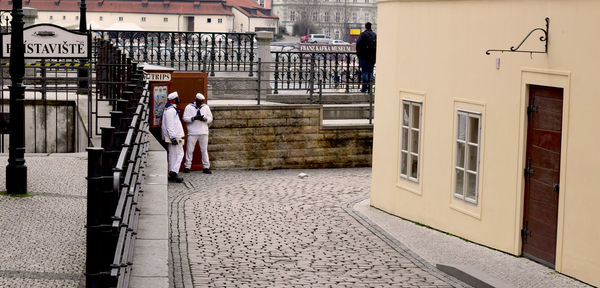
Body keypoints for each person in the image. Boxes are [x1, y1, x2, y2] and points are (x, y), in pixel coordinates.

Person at [182, 93, 213, 174]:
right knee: (189, 150)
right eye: (199, 102)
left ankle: (206, 167)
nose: (200, 103)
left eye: (201, 102)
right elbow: (185, 118)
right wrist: (193, 118)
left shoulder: (205, 107)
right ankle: (187, 166)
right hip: (192, 132)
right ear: (196, 100)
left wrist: (205, 119)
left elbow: (210, 118)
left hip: (203, 131)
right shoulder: (189, 107)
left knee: (204, 150)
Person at [162, 91, 185, 183]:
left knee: (172, 155)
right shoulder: (171, 111)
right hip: (175, 136)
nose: (178, 100)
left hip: (174, 136)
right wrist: (172, 137)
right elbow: (170, 125)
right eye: (177, 99)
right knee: (180, 153)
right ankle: (174, 172)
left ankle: (172, 172)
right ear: (174, 100)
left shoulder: (170, 109)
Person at [356, 22, 377, 93]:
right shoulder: (374, 35)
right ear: (371, 27)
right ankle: (370, 87)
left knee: (364, 72)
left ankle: (364, 88)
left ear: (365, 27)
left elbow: (358, 46)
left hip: (364, 57)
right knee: (370, 72)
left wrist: (359, 56)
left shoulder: (363, 35)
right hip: (372, 57)